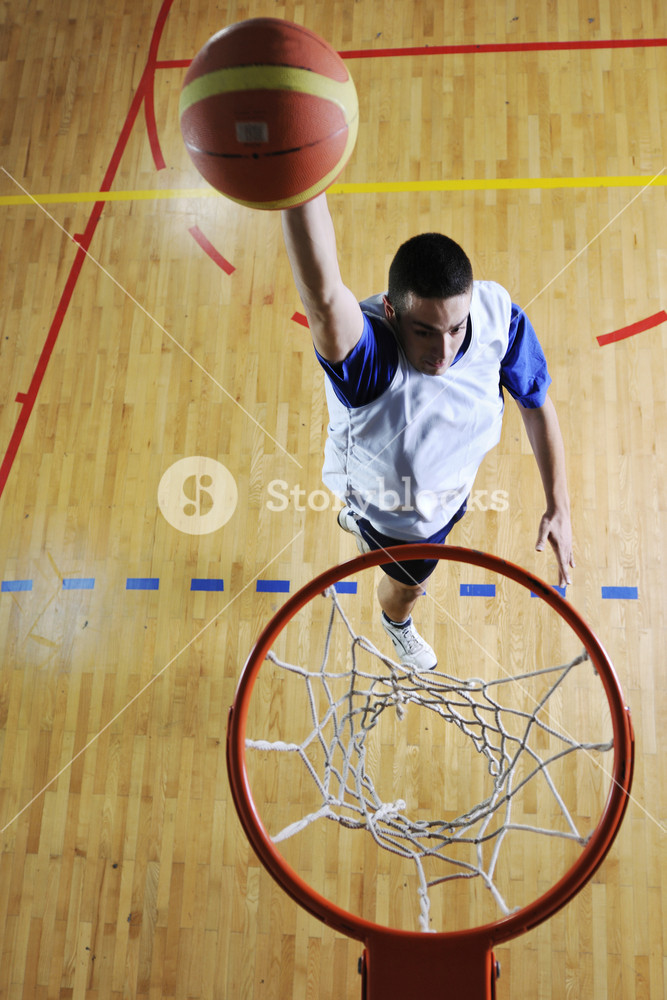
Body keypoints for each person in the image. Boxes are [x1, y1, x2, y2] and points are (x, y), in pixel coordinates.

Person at [281, 193, 574, 670]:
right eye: (425, 332)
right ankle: (397, 622)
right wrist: (296, 181)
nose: (444, 351)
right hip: (400, 519)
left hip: (451, 489)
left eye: (456, 328)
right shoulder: (369, 360)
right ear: (391, 312)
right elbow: (322, 293)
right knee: (408, 588)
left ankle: (359, 524)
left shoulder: (498, 316)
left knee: (438, 513)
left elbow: (536, 404)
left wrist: (559, 506)